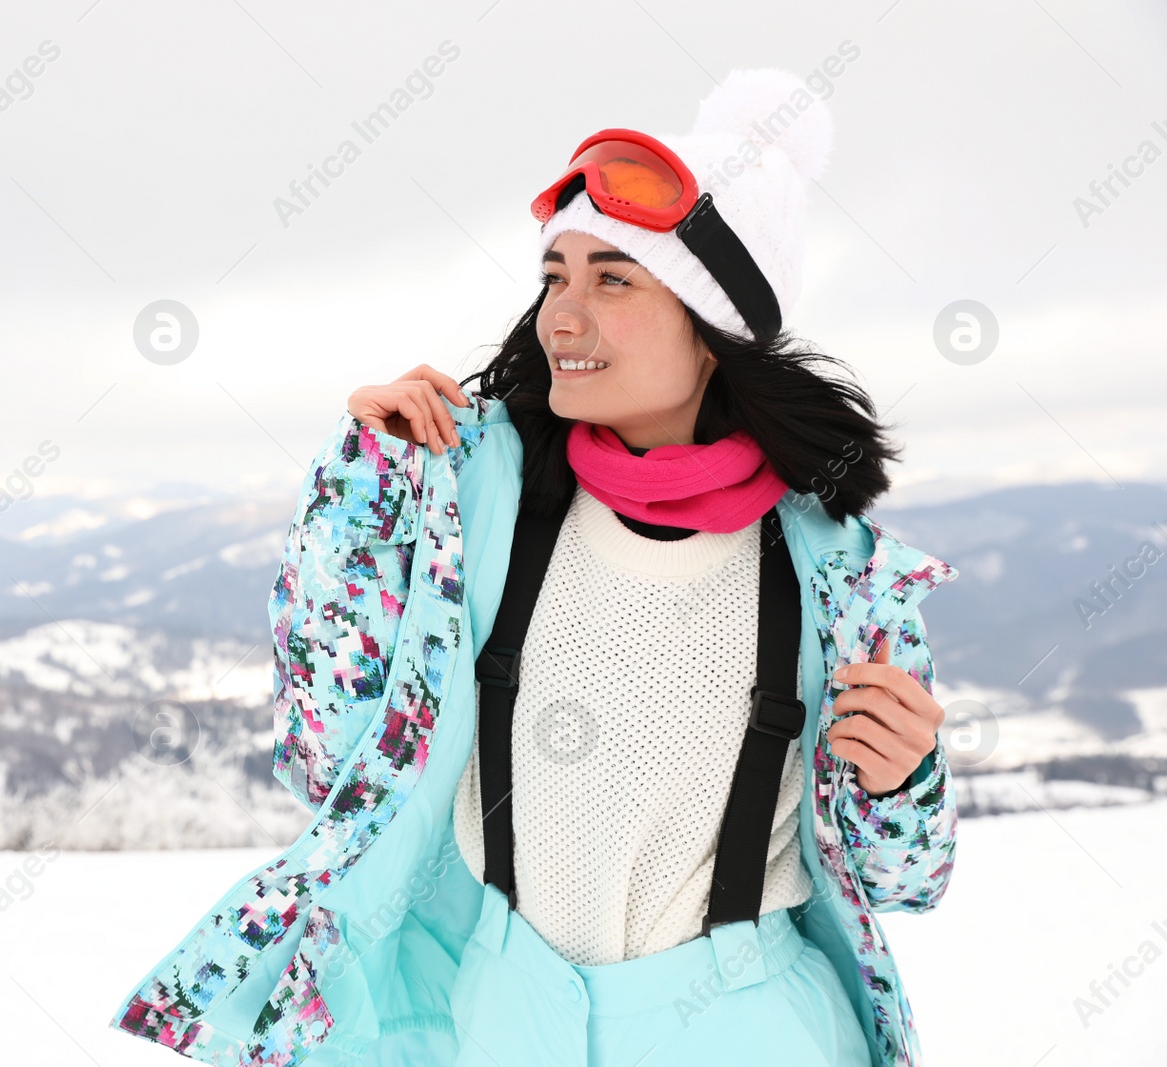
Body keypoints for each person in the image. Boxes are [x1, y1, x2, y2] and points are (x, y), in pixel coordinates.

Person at [111, 67, 960, 1067]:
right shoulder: (474, 504)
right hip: (506, 1015)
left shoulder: (840, 573)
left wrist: (903, 779)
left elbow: (905, 875)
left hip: (745, 1025)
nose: (561, 314)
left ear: (716, 330)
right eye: (555, 275)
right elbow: (322, 750)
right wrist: (360, 497)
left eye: (613, 278)